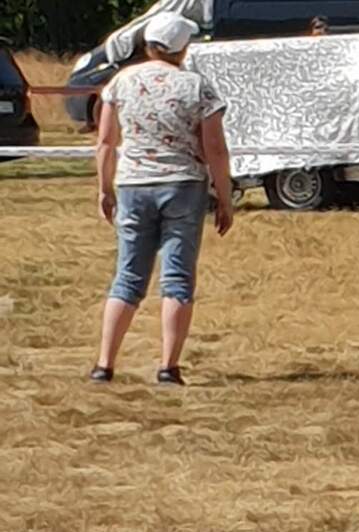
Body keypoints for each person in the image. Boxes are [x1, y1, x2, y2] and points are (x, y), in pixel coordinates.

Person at [91, 11, 234, 386]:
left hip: (133, 185)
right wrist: (225, 196)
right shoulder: (197, 87)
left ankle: (104, 364)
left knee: (127, 278)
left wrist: (104, 188)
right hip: (183, 185)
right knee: (178, 278)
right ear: (181, 48)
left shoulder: (121, 82)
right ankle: (168, 367)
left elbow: (106, 141)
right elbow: (215, 148)